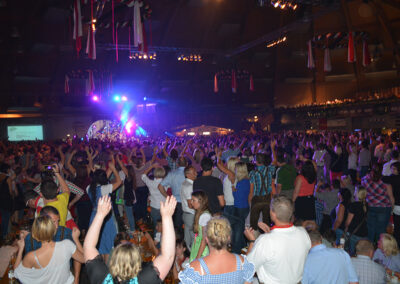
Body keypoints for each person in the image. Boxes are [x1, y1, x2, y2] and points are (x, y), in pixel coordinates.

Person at [84, 195, 177, 284]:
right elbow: (167, 257)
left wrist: (100, 214)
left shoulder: (102, 279)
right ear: (138, 263)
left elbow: (89, 246)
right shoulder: (145, 280)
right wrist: (167, 217)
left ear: (113, 260)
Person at [245, 195, 311, 284]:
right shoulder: (303, 233)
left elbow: (248, 267)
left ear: (273, 214)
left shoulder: (266, 241)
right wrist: (270, 233)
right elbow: (286, 245)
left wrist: (252, 241)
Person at [179, 216, 255, 284]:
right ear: (229, 238)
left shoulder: (196, 268)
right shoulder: (242, 262)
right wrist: (252, 242)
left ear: (207, 240)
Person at [14, 215, 84, 284]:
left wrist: (20, 249)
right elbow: (85, 259)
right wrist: (76, 239)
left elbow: (17, 273)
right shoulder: (67, 245)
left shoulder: (31, 257)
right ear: (54, 230)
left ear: (34, 235)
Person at [87, 159, 122, 261]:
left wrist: (107, 170)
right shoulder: (104, 189)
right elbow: (119, 182)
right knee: (108, 244)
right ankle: (107, 269)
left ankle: (101, 268)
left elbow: (98, 179)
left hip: (94, 216)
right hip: (106, 217)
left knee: (99, 243)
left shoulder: (89, 187)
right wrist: (114, 169)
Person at [362, 163, 395, 242]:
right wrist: (392, 209)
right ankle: (379, 248)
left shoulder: (365, 179)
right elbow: (391, 197)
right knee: (381, 230)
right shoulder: (385, 181)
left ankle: (370, 248)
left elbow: (363, 193)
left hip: (370, 206)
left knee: (371, 229)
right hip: (384, 207)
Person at [158, 156, 187, 231]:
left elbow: (160, 186)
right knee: (189, 228)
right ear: (187, 164)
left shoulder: (172, 174)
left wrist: (168, 197)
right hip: (188, 203)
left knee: (177, 228)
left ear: (177, 164)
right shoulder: (191, 173)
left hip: (176, 204)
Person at [141, 163, 166, 234]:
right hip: (163, 207)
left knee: (156, 226)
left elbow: (143, 175)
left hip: (154, 207)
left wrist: (151, 166)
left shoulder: (150, 183)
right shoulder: (166, 183)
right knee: (165, 226)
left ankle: (156, 243)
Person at [344, 186, 368, 255]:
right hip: (364, 234)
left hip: (354, 234)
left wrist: (345, 228)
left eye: (355, 190)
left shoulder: (353, 205)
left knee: (352, 254)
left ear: (357, 193)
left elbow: (348, 222)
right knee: (360, 254)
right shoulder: (366, 205)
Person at [189, 190, 212, 262]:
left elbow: (204, 239)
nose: (191, 202)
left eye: (193, 200)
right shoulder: (199, 213)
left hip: (202, 248)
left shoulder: (205, 216)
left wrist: (198, 257)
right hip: (198, 245)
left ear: (200, 201)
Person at [383, 162, 400, 245]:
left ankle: (397, 244)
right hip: (397, 205)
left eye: (394, 169)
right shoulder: (393, 177)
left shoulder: (393, 178)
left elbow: (382, 178)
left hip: (397, 205)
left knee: (397, 226)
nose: (392, 170)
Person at [180, 165, 197, 249]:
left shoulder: (184, 183)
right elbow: (190, 204)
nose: (196, 174)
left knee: (187, 238)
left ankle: (187, 257)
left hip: (187, 214)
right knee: (194, 238)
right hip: (190, 215)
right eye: (194, 172)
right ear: (188, 175)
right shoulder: (189, 186)